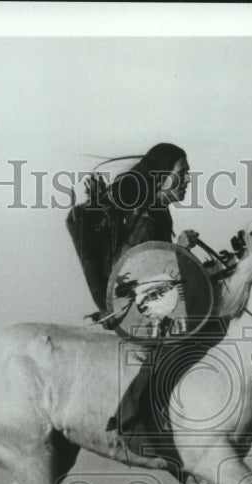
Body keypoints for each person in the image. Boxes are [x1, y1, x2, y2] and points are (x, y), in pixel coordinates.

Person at [66, 143, 203, 462]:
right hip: (131, 305)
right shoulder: (146, 215)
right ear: (161, 178)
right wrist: (179, 250)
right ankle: (132, 420)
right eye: (182, 175)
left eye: (187, 175)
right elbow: (134, 266)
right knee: (175, 342)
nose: (188, 181)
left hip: (142, 299)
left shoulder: (158, 211)